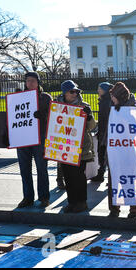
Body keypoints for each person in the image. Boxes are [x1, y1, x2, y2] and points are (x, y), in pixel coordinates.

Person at [57, 80, 96, 213]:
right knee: (68, 176)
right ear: (65, 93)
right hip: (64, 147)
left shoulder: (84, 106)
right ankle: (72, 202)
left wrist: (89, 116)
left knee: (79, 176)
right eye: (72, 91)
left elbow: (91, 127)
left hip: (81, 147)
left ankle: (82, 202)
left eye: (77, 91)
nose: (75, 94)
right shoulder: (58, 107)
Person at [16, 72, 52, 209]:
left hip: (40, 138)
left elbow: (53, 117)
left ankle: (44, 197)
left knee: (42, 168)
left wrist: (42, 116)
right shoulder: (19, 97)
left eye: (32, 80)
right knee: (24, 169)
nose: (29, 83)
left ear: (38, 82)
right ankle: (27, 197)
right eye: (27, 81)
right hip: (23, 138)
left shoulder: (45, 98)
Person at [104, 82, 136, 218]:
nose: (111, 98)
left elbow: (134, 131)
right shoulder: (113, 108)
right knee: (113, 181)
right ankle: (114, 208)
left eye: (113, 96)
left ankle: (134, 209)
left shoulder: (132, 110)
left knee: (129, 180)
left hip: (129, 152)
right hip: (114, 151)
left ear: (120, 96)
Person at [90, 82, 113, 183]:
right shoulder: (105, 101)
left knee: (104, 154)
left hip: (105, 132)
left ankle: (104, 176)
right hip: (104, 131)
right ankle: (102, 174)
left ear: (105, 90)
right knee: (103, 154)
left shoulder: (105, 102)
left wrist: (101, 131)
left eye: (99, 88)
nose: (98, 90)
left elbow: (106, 118)